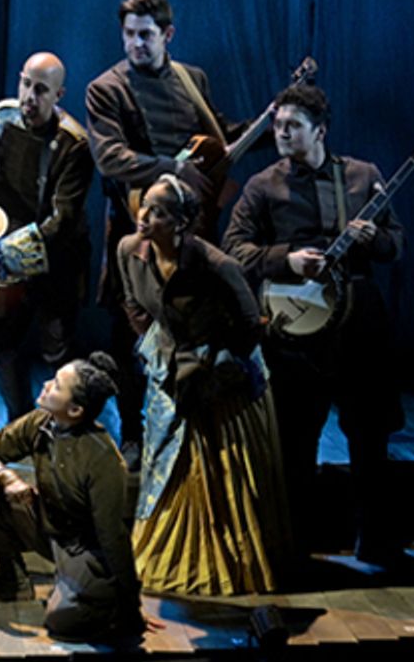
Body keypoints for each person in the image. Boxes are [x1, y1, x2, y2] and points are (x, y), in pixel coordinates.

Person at [222, 85, 414, 571]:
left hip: (359, 326)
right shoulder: (263, 186)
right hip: (297, 334)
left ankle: (377, 543)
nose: (282, 134)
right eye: (279, 125)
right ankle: (294, 548)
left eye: (293, 126)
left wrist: (375, 240)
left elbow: (396, 245)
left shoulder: (362, 176)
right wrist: (285, 259)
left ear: (320, 131)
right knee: (295, 444)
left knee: (370, 438)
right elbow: (234, 250)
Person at [85, 0, 248, 467]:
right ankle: (132, 434)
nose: (136, 44)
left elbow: (217, 136)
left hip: (190, 232)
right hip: (135, 233)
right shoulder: (106, 88)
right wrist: (171, 170)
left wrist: (266, 124)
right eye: (129, 35)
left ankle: (194, 433)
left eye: (146, 35)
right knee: (130, 332)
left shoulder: (190, 78)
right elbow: (110, 158)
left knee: (196, 328)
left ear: (168, 35)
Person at [119, 176, 291, 595]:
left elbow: (250, 327)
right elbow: (131, 302)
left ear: (181, 223)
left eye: (158, 211)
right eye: (145, 206)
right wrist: (158, 346)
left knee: (221, 475)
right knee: (168, 465)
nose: (145, 216)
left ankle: (228, 564)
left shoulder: (217, 265)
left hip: (222, 380)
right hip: (173, 369)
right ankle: (166, 553)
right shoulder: (130, 250)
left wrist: (213, 364)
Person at [0, 353, 149, 642]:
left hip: (80, 548)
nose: (47, 385)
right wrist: (6, 477)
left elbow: (112, 536)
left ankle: (102, 601)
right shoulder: (41, 422)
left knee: (62, 622)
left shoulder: (103, 459)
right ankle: (12, 579)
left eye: (58, 386)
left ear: (75, 410)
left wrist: (132, 606)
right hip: (45, 524)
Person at [0, 52, 94, 422]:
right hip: (3, 248)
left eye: (41, 90)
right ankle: (19, 419)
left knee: (57, 347)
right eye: (25, 84)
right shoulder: (0, 118)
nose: (29, 97)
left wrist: (2, 254)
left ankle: (69, 427)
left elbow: (63, 220)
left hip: (57, 257)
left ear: (59, 95)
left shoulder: (74, 144)